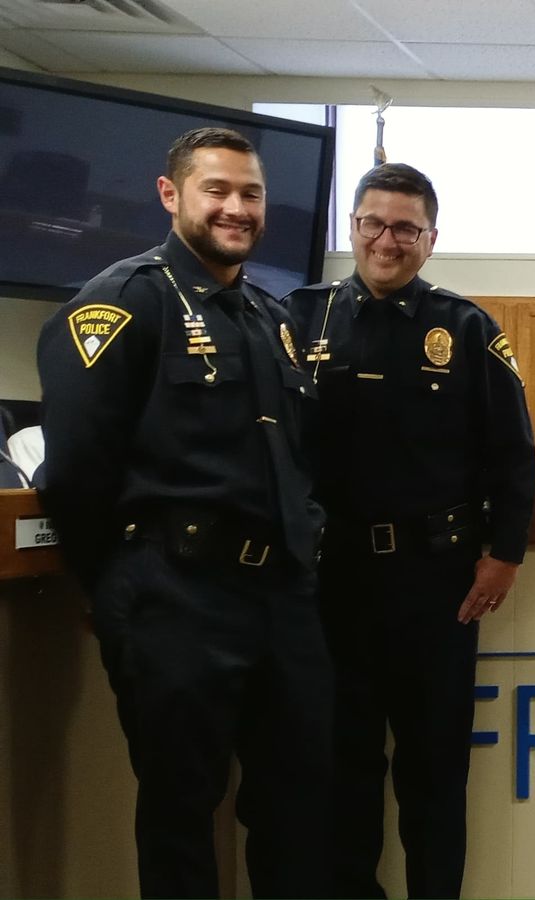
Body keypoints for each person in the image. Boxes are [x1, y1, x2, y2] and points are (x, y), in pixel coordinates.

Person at [34, 126, 331, 898]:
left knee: (298, 811)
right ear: (171, 196)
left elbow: (300, 461)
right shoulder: (121, 305)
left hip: (282, 603)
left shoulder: (271, 320)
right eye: (218, 190)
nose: (237, 207)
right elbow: (76, 470)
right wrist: (116, 586)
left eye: (251, 193)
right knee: (181, 814)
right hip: (176, 597)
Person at [284, 162, 535, 900]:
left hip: (438, 584)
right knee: (342, 772)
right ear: (352, 228)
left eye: (404, 228)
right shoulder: (300, 319)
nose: (385, 240)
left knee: (434, 776)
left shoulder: (465, 328)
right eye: (372, 223)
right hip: (333, 584)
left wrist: (504, 555)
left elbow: (514, 453)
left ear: (430, 239)